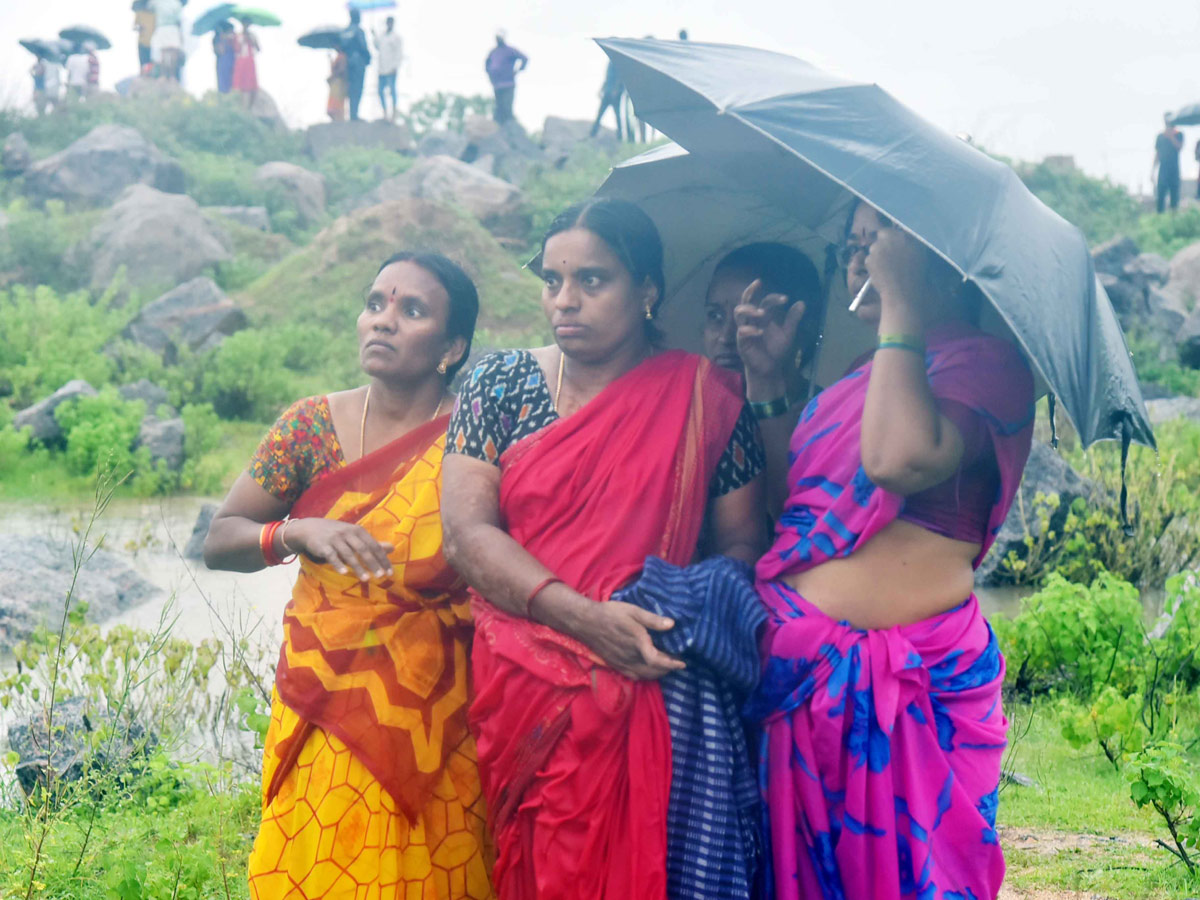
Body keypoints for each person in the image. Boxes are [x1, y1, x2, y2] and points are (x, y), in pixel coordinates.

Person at [441, 197, 766, 898]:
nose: (565, 300)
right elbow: (467, 534)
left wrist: (671, 607)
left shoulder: (705, 396)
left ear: (647, 290)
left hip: (653, 675)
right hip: (525, 676)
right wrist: (585, 619)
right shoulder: (499, 384)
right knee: (538, 861)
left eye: (593, 280)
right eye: (552, 280)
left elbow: (742, 542)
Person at [743, 198, 1035, 900]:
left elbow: (900, 461)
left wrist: (903, 306)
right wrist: (771, 384)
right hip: (798, 679)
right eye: (853, 243)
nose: (861, 258)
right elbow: (807, 510)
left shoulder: (987, 365)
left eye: (882, 242)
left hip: (916, 682)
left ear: (941, 258)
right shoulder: (860, 378)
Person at [204, 251, 494, 899]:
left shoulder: (476, 437)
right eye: (375, 304)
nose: (382, 321)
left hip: (437, 716)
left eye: (410, 310)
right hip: (321, 706)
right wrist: (294, 533)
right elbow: (220, 540)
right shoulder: (309, 428)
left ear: (452, 348)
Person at [703, 242, 824, 517]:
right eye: (715, 316)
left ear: (801, 325)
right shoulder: (693, 411)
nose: (726, 337)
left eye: (750, 320)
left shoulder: (829, 419)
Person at [484, 31, 527, 125]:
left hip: (508, 84)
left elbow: (524, 58)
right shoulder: (493, 52)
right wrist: (491, 76)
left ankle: (511, 130)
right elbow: (487, 65)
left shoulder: (510, 51)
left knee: (507, 108)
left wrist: (518, 70)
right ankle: (499, 130)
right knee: (499, 109)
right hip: (497, 85)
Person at [341, 10, 371, 122]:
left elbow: (342, 46)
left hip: (348, 62)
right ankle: (354, 114)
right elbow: (364, 47)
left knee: (350, 88)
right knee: (357, 88)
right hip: (358, 62)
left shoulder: (344, 31)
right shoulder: (358, 31)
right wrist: (368, 59)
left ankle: (351, 113)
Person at [1154, 113, 1184, 214]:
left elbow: (1179, 147)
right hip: (1163, 169)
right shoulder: (1160, 136)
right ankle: (1159, 218)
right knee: (1160, 196)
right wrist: (1152, 170)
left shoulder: (1179, 134)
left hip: (1174, 169)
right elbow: (1157, 154)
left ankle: (1173, 219)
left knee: (1174, 197)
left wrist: (1171, 136)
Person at [374, 16, 403, 121]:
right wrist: (373, 34)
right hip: (382, 69)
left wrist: (396, 66)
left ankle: (394, 112)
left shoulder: (396, 37)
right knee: (380, 91)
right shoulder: (382, 36)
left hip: (391, 68)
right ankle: (385, 112)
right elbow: (377, 46)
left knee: (392, 91)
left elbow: (399, 53)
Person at [590, 59, 624, 139]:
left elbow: (620, 77)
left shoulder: (618, 62)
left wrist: (616, 90)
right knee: (600, 114)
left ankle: (620, 136)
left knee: (617, 116)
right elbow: (607, 78)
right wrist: (602, 89)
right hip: (607, 92)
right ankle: (593, 133)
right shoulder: (610, 62)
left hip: (614, 93)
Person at [151, 0, 183, 81]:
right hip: (172, 28)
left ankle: (164, 75)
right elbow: (179, 20)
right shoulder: (177, 3)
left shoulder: (157, 2)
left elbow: (150, 8)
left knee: (163, 54)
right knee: (173, 54)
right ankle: (171, 75)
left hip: (162, 28)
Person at [232, 20, 260, 108]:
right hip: (240, 61)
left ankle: (249, 106)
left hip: (250, 60)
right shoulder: (238, 35)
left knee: (251, 84)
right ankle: (241, 105)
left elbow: (258, 48)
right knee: (240, 84)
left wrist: (251, 39)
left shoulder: (252, 36)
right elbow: (236, 49)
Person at [213, 21, 236, 94]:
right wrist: (223, 39)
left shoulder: (233, 39)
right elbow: (221, 51)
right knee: (223, 86)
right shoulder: (217, 39)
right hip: (223, 64)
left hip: (233, 64)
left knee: (233, 85)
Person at [326, 50, 348, 122]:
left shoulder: (342, 56)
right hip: (335, 83)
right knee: (333, 105)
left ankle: (338, 119)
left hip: (338, 83)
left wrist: (332, 76)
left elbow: (341, 70)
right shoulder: (338, 57)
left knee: (336, 104)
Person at [134, 2, 156, 71]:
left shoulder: (154, 14)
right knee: (142, 64)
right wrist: (139, 27)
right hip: (142, 43)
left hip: (153, 44)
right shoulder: (139, 13)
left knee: (152, 65)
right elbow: (135, 26)